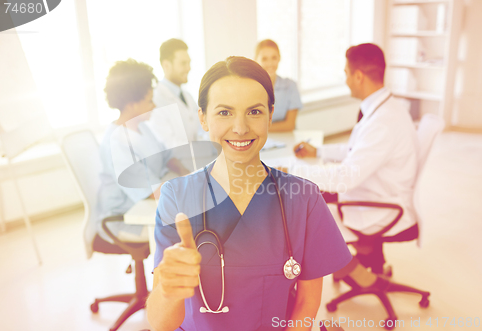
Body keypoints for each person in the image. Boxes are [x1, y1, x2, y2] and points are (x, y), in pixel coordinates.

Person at [146, 56, 352, 331]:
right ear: (203, 118)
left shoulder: (304, 199)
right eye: (224, 112)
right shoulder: (177, 197)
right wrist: (169, 291)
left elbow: (306, 303)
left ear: (270, 113)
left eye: (254, 112)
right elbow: (160, 324)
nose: (240, 127)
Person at [292, 43, 419, 273]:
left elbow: (345, 178)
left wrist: (293, 172)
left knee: (306, 212)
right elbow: (357, 150)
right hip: (375, 190)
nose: (346, 80)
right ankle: (365, 256)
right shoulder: (385, 108)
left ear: (358, 76)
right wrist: (319, 152)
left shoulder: (383, 123)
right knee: (314, 193)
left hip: (380, 205)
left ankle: (360, 276)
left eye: (346, 74)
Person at [95, 59, 188, 251]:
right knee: (191, 230)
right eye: (149, 101)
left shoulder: (142, 127)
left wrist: (184, 171)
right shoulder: (117, 143)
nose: (153, 106)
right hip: (126, 218)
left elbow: (166, 156)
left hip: (147, 208)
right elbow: (151, 192)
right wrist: (192, 187)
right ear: (131, 105)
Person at [148, 38, 202, 149]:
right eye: (183, 63)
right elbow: (167, 143)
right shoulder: (155, 99)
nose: (188, 68)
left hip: (197, 160)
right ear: (166, 65)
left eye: (189, 63)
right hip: (177, 164)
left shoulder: (188, 97)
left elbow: (202, 129)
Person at [255, 39, 302, 132]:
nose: (270, 63)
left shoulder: (290, 86)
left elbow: (289, 125)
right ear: (256, 60)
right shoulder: (251, 88)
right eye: (264, 59)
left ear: (279, 58)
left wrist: (259, 129)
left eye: (274, 58)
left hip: (286, 138)